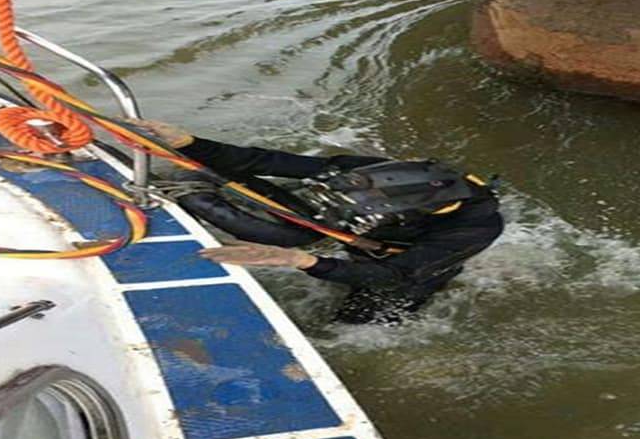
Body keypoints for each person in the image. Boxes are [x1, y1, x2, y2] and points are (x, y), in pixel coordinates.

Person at [131, 119, 504, 324]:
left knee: (353, 327)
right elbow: (274, 163)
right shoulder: (378, 172)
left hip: (403, 268)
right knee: (290, 214)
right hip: (363, 240)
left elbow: (397, 273)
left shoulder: (476, 227)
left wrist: (303, 261)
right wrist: (191, 144)